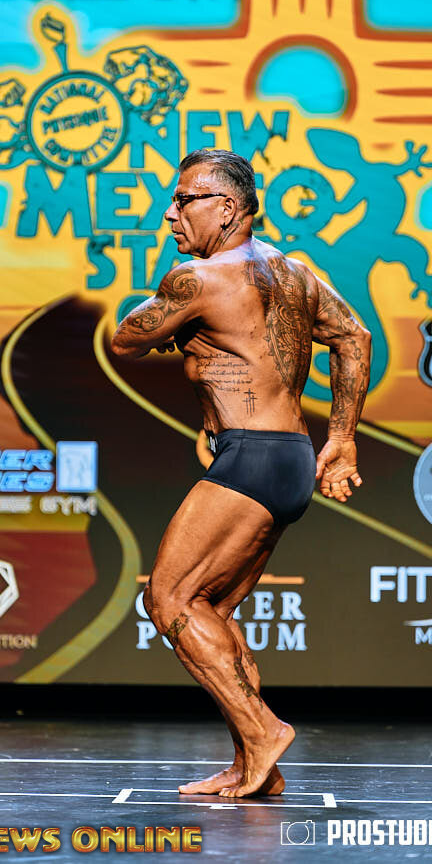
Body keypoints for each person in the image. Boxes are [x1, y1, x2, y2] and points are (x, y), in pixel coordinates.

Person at [111, 149, 371, 798]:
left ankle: (262, 731)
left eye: (184, 200)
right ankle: (255, 765)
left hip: (251, 457)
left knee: (169, 599)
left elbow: (125, 340)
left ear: (227, 208)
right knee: (216, 610)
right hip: (289, 456)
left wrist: (169, 322)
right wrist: (341, 439)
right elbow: (355, 337)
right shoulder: (295, 272)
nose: (170, 214)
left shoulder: (195, 279)